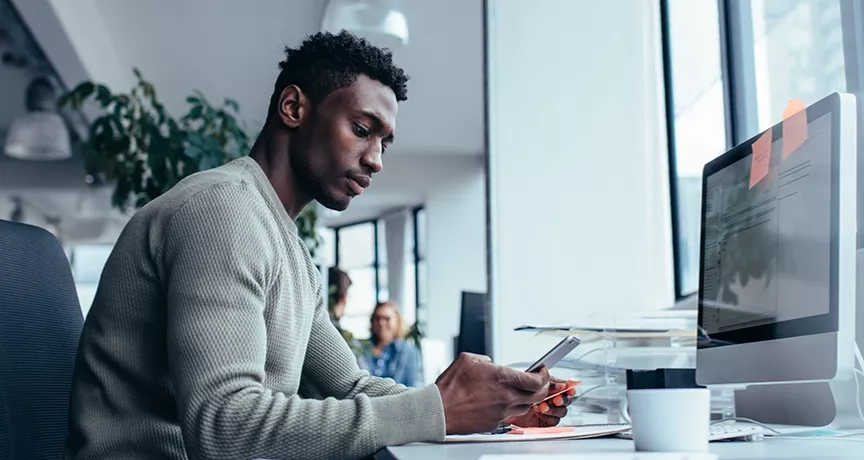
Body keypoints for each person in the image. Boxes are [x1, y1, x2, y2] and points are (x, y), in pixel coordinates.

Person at [66, 31, 574, 460]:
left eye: (384, 143)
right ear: (294, 108)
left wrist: (493, 407)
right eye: (361, 129)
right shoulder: (222, 212)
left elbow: (353, 388)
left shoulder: (285, 247)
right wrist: (437, 408)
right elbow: (223, 427)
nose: (376, 159)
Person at [360, 301, 420, 387]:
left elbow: (412, 385)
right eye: (377, 318)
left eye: (387, 319)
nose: (381, 323)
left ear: (397, 321)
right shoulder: (362, 348)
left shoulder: (407, 350)